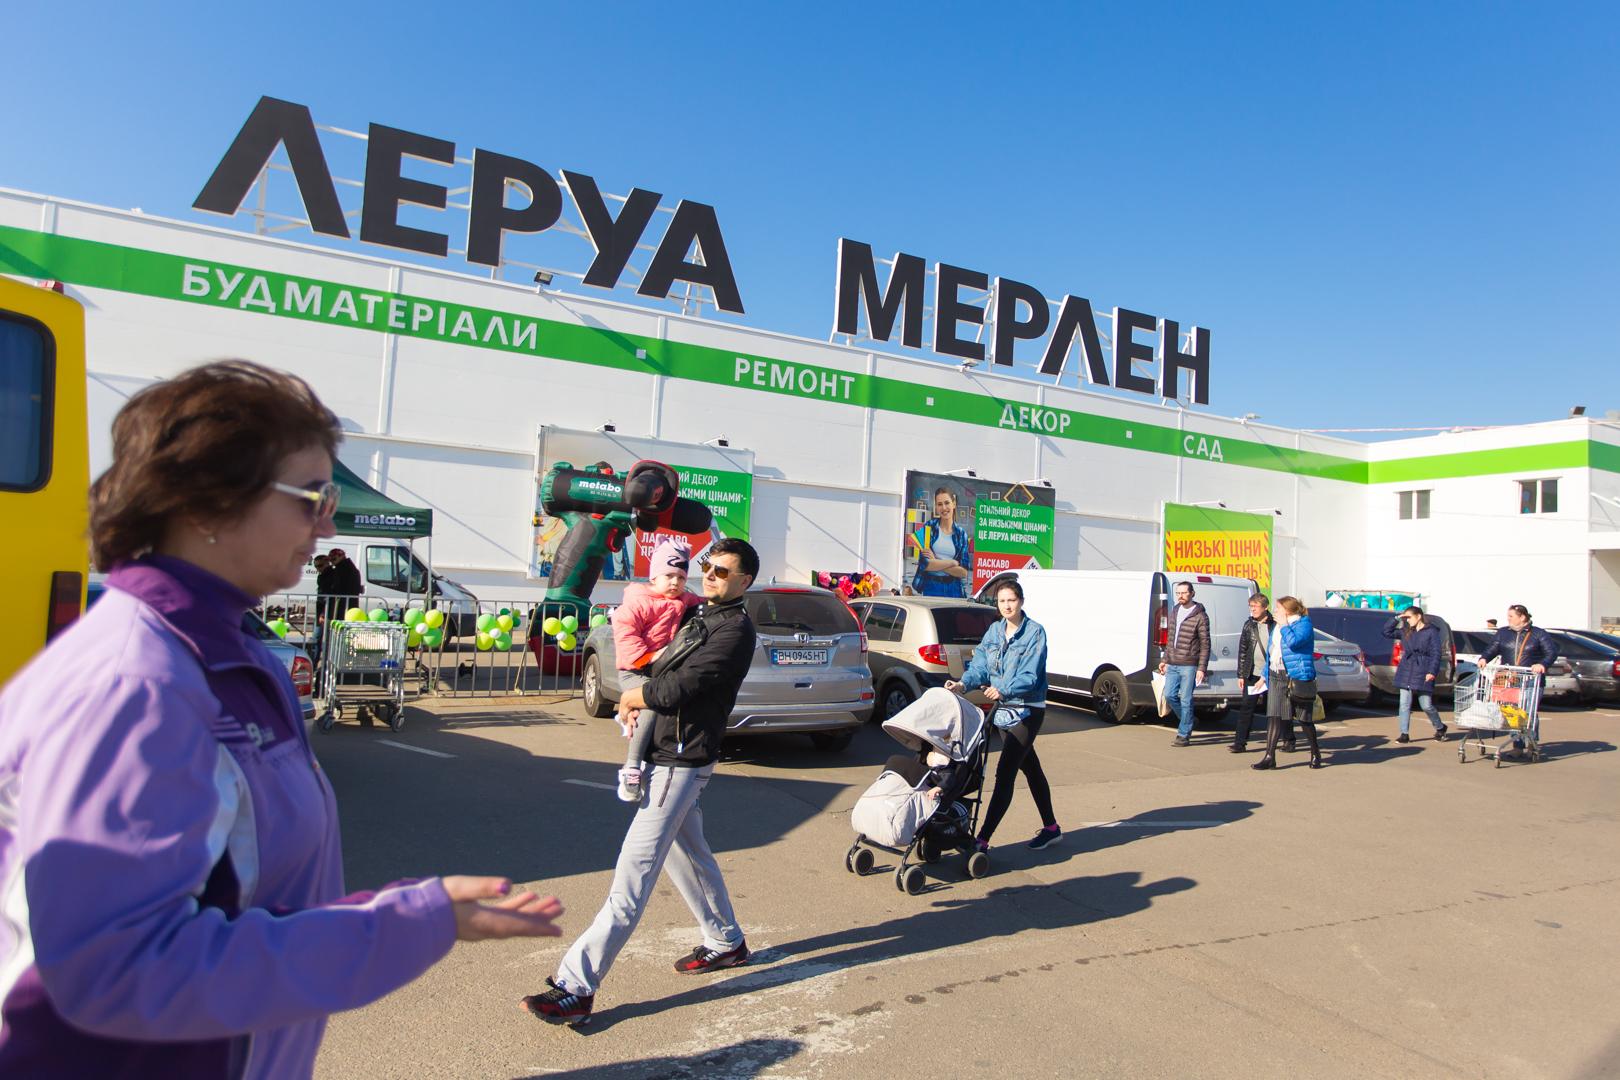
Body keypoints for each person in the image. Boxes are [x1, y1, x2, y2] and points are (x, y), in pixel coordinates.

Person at [0, 361, 563, 1078]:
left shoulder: (230, 653)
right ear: (205, 502)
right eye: (312, 497)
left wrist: (410, 912)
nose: (328, 522)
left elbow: (254, 896)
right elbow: (119, 968)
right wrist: (405, 925)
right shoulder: (136, 683)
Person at [525, 538, 761, 1027]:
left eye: (721, 571)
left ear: (745, 581)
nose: (709, 574)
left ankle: (575, 986)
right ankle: (726, 941)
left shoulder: (735, 629)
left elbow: (681, 686)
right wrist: (637, 691)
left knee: (632, 875)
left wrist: (635, 698)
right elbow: (661, 665)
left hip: (682, 759)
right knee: (688, 855)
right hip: (667, 750)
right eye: (707, 566)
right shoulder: (700, 615)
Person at [946, 579, 1059, 852]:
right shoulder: (995, 631)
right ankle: (1051, 828)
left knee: (1005, 772)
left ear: (1021, 601)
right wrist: (963, 684)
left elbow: (1030, 675)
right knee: (1031, 768)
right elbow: (980, 665)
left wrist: (1003, 689)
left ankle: (982, 839)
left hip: (1027, 709)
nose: (1007, 606)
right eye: (1002, 601)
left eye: (1012, 600)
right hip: (1003, 711)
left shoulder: (1034, 632)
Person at [610, 535, 703, 802]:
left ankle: (632, 722)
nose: (675, 582)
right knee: (650, 705)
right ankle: (631, 767)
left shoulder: (683, 599)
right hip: (634, 669)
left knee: (661, 706)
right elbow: (625, 631)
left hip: (657, 671)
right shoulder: (639, 601)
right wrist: (647, 656)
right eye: (668, 576)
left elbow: (702, 602)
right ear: (654, 577)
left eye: (681, 577)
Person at [1252, 596, 1325, 770]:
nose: (1275, 611)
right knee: (1274, 716)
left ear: (1288, 610)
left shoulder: (1303, 624)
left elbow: (1294, 643)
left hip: (1296, 676)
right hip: (1276, 674)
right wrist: (1264, 676)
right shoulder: (1277, 626)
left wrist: (1285, 625)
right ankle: (1269, 756)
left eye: (1278, 608)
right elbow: (1272, 652)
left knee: (1304, 719)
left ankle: (1315, 753)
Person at [1477, 604, 1557, 760]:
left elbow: (1551, 652)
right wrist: (1484, 658)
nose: (1508, 619)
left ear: (1522, 617)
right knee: (1513, 712)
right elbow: (1493, 648)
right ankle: (1517, 746)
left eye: (1511, 616)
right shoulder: (1503, 633)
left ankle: (1532, 744)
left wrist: (1542, 664)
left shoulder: (1538, 633)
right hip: (1510, 679)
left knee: (1528, 713)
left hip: (1531, 680)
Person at [1384, 606, 1447, 743]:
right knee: (1404, 704)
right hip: (1406, 669)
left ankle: (1440, 727)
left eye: (1409, 617)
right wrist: (1396, 618)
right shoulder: (1406, 630)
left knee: (1426, 705)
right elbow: (1386, 632)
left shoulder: (1431, 632)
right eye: (1405, 618)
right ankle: (1404, 734)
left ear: (1418, 616)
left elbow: (1436, 653)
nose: (1407, 620)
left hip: (1423, 669)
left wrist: (1432, 671)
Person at [1158, 581, 1210, 747]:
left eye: (1184, 593)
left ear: (1192, 593)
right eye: (1178, 593)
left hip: (1189, 664)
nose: (1180, 596)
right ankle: (1189, 720)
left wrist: (1202, 668)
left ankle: (1183, 734)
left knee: (1186, 699)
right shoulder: (1175, 611)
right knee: (1169, 695)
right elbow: (1170, 638)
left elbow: (1205, 644)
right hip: (1172, 662)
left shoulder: (1200, 616)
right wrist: (1165, 660)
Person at [1230, 593, 1275, 753]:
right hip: (1252, 673)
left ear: (1265, 607)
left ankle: (1288, 739)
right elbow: (1243, 650)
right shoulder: (1248, 625)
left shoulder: (1274, 625)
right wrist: (1241, 674)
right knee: (1246, 707)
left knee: (1275, 709)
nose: (1252, 609)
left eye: (1256, 606)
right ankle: (1239, 743)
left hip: (1271, 674)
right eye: (1251, 606)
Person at [911, 486, 973, 598]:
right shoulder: (929, 528)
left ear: (954, 504)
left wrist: (935, 561)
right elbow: (925, 565)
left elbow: (963, 572)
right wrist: (952, 562)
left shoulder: (961, 534)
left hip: (954, 588)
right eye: (939, 504)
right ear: (936, 507)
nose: (944, 508)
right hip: (931, 586)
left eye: (947, 503)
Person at [327, 545, 362, 614]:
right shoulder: (350, 567)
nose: (331, 562)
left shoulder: (342, 569)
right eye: (330, 560)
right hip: (349, 602)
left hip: (342, 604)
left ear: (341, 556)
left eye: (334, 559)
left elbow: (337, 587)